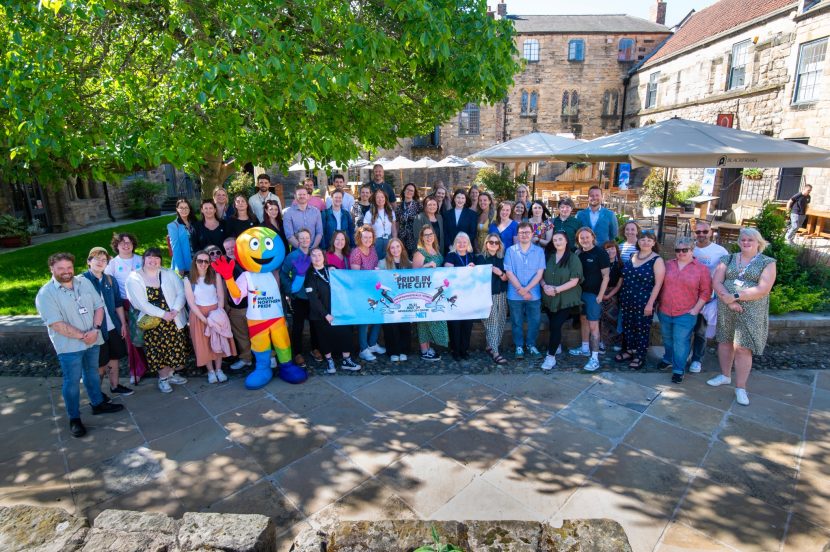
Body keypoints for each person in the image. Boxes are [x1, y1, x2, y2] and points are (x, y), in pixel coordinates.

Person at [36, 252, 124, 438]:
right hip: (69, 347)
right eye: (61, 268)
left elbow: (99, 306)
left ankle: (97, 403)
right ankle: (74, 418)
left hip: (93, 338)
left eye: (69, 267)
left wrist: (95, 329)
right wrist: (84, 336)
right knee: (72, 381)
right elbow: (56, 324)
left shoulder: (83, 282)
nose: (66, 272)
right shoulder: (46, 294)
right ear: (51, 269)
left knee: (92, 373)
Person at [213, 227, 306, 389]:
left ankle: (286, 366)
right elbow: (236, 296)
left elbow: (292, 289)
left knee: (283, 344)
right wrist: (228, 278)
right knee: (260, 346)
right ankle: (263, 368)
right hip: (257, 320)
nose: (262, 253)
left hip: (277, 318)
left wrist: (300, 275)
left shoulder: (275, 273)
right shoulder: (247, 276)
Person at [707, 228, 776, 405]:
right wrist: (729, 301)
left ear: (758, 242)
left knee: (743, 347)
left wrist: (736, 296)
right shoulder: (728, 259)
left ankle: (741, 387)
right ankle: (725, 375)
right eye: (743, 240)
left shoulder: (767, 262)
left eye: (750, 240)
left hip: (751, 310)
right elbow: (717, 282)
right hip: (726, 306)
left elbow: (763, 288)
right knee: (724, 340)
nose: (746, 243)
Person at [126, 248, 189, 394]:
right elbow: (140, 303)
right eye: (149, 257)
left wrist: (175, 310)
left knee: (174, 348)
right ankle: (163, 379)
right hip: (153, 323)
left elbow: (181, 292)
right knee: (158, 351)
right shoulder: (134, 278)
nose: (153, 260)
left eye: (156, 258)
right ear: (144, 259)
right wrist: (163, 314)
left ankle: (171, 374)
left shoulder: (168, 273)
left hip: (173, 319)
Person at [658, 236, 712, 384]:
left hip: (686, 313)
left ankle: (678, 369)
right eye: (677, 250)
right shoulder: (668, 265)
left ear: (692, 250)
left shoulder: (701, 269)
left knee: (680, 341)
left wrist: (695, 310)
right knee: (667, 338)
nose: (681, 253)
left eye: (684, 250)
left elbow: (706, 292)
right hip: (664, 310)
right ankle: (668, 358)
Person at [83, 247, 133, 397]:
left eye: (104, 260)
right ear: (89, 261)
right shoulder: (82, 281)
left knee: (114, 357)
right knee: (100, 364)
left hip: (113, 326)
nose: (100, 262)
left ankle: (115, 385)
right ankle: (96, 395)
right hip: (96, 329)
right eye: (97, 259)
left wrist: (123, 324)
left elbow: (118, 303)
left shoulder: (109, 280)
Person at [305, 247, 362, 373]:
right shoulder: (309, 275)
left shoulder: (331, 269)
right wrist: (325, 314)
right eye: (313, 255)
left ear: (323, 256)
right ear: (310, 258)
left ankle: (346, 360)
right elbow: (313, 299)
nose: (317, 257)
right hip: (320, 315)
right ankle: (330, 362)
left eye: (319, 254)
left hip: (337, 311)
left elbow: (345, 281)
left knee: (345, 333)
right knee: (324, 338)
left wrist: (335, 271)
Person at [616, 230, 664, 370]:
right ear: (638, 241)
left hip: (644, 300)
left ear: (654, 243)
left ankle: (640, 355)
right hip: (627, 298)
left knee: (641, 328)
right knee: (628, 326)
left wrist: (650, 303)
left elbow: (658, 284)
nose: (645, 242)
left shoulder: (657, 260)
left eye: (649, 240)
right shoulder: (632, 256)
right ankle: (630, 351)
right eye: (643, 239)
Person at [184, 251, 235, 383]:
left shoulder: (215, 276)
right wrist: (204, 319)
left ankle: (218, 369)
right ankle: (210, 371)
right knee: (204, 344)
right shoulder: (188, 279)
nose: (203, 264)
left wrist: (219, 313)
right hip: (199, 315)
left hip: (215, 312)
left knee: (218, 341)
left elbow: (220, 295)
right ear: (195, 261)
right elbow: (191, 302)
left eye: (206, 261)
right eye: (200, 261)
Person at [105, 232, 147, 384]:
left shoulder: (141, 259)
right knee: (131, 338)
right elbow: (108, 285)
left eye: (129, 242)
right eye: (122, 242)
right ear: (117, 246)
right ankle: (137, 370)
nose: (126, 245)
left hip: (144, 301)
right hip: (125, 305)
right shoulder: (113, 264)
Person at [569, 227, 611, 371]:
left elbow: (606, 276)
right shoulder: (578, 253)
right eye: (582, 238)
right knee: (583, 320)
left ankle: (594, 358)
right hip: (580, 294)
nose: (585, 240)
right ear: (578, 240)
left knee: (594, 326)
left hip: (593, 295)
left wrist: (600, 295)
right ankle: (585, 347)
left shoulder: (601, 253)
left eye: (587, 237)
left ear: (593, 237)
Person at [540, 231, 584, 371]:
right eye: (555, 240)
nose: (557, 242)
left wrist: (556, 290)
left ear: (566, 241)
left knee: (555, 326)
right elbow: (540, 274)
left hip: (566, 299)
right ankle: (556, 344)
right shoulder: (548, 257)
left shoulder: (573, 258)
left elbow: (574, 281)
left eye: (560, 239)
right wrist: (544, 286)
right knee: (553, 324)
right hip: (548, 297)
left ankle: (550, 357)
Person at [690, 220, 729, 373]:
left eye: (705, 231)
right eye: (698, 232)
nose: (701, 235)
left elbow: (726, 273)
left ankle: (697, 359)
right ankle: (685, 354)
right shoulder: (689, 248)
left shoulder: (720, 251)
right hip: (688, 294)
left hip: (708, 296)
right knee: (686, 328)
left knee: (700, 330)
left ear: (711, 232)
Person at [504, 222, 546, 359]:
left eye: (527, 232)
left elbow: (540, 274)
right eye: (522, 232)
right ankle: (519, 346)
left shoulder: (539, 251)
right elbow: (509, 273)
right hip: (514, 294)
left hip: (533, 294)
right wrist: (521, 289)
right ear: (518, 235)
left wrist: (526, 290)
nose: (524, 235)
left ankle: (531, 345)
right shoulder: (510, 251)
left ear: (532, 234)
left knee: (535, 321)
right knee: (516, 321)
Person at [281, 228, 320, 365]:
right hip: (299, 297)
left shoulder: (315, 254)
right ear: (297, 240)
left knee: (315, 325)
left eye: (307, 238)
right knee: (298, 326)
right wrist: (290, 291)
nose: (304, 240)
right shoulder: (292, 256)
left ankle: (315, 348)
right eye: (301, 238)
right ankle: (297, 352)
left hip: (314, 298)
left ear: (311, 239)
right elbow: (284, 274)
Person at [412, 225, 447, 361]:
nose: (428, 237)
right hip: (423, 293)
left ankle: (428, 347)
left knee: (433, 318)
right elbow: (414, 274)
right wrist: (426, 265)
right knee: (423, 321)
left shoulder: (436, 251)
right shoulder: (419, 252)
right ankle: (424, 350)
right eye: (426, 235)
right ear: (422, 237)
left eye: (430, 234)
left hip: (435, 293)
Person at [350, 225, 384, 361]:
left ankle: (372, 344)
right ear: (360, 238)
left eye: (370, 237)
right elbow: (356, 277)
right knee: (364, 320)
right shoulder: (356, 252)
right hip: (361, 291)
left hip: (374, 290)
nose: (368, 239)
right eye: (365, 237)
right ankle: (363, 349)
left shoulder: (373, 249)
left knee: (378, 317)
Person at [444, 232, 478, 361]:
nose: (462, 244)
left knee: (467, 324)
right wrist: (465, 270)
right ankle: (455, 350)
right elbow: (449, 272)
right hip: (454, 296)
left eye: (465, 242)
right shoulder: (450, 256)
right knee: (455, 325)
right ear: (455, 244)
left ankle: (464, 350)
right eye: (459, 242)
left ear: (468, 244)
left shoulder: (471, 256)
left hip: (469, 297)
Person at [477, 233, 509, 365]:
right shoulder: (480, 258)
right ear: (486, 243)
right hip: (486, 295)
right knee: (491, 323)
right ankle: (495, 352)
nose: (494, 245)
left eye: (496, 242)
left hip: (501, 293)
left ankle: (490, 346)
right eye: (491, 242)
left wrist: (499, 272)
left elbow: (506, 277)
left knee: (500, 321)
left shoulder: (503, 258)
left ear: (499, 245)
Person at [381, 238, 413, 362]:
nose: (395, 250)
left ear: (402, 248)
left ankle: (404, 350)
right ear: (389, 250)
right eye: (392, 247)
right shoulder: (383, 263)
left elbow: (418, 274)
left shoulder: (408, 263)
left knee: (404, 325)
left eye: (398, 246)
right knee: (390, 326)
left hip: (404, 301)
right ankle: (392, 351)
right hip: (390, 301)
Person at [599, 240, 623, 353]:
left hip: (614, 294)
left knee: (614, 319)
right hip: (600, 292)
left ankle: (616, 341)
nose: (610, 251)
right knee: (601, 318)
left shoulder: (620, 265)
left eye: (612, 248)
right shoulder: (600, 264)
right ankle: (602, 342)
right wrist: (602, 293)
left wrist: (609, 295)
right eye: (607, 249)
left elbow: (619, 284)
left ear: (616, 250)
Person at [284, 184, 323, 249]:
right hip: (297, 250)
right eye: (299, 194)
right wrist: (302, 249)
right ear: (295, 196)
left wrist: (313, 247)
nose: (302, 196)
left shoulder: (316, 211)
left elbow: (319, 232)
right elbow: (289, 235)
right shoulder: (288, 213)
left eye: (304, 194)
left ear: (308, 196)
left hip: (314, 249)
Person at [442, 189, 477, 256]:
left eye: (463, 198)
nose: (460, 200)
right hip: (450, 250)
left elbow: (473, 233)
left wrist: (462, 247)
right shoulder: (447, 214)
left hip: (466, 250)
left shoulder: (472, 214)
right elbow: (445, 232)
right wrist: (450, 247)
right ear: (454, 199)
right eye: (458, 197)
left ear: (465, 200)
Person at [363, 189, 396, 260]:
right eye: (377, 197)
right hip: (375, 242)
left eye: (382, 197)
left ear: (385, 198)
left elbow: (393, 229)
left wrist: (395, 240)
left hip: (389, 240)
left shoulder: (390, 212)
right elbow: (366, 230)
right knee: (376, 262)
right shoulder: (369, 213)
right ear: (374, 199)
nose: (380, 199)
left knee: (389, 262)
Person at [167, 199, 196, 276]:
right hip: (185, 262)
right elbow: (175, 248)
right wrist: (180, 267)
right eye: (181, 208)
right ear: (177, 209)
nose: (184, 210)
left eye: (186, 207)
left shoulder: (194, 222)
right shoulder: (173, 226)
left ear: (189, 209)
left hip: (198, 259)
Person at [396, 183, 422, 256]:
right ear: (404, 191)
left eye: (411, 191)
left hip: (414, 238)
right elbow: (397, 223)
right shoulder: (399, 206)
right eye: (407, 189)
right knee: (403, 259)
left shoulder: (418, 205)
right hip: (402, 238)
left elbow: (422, 222)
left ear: (414, 193)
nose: (409, 192)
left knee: (413, 258)